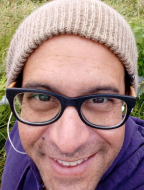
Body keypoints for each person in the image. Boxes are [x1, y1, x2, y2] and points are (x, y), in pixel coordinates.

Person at [1, 0, 144, 189]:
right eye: (43, 97)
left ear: (128, 95)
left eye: (98, 99)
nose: (67, 144)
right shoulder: (23, 131)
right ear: (21, 99)